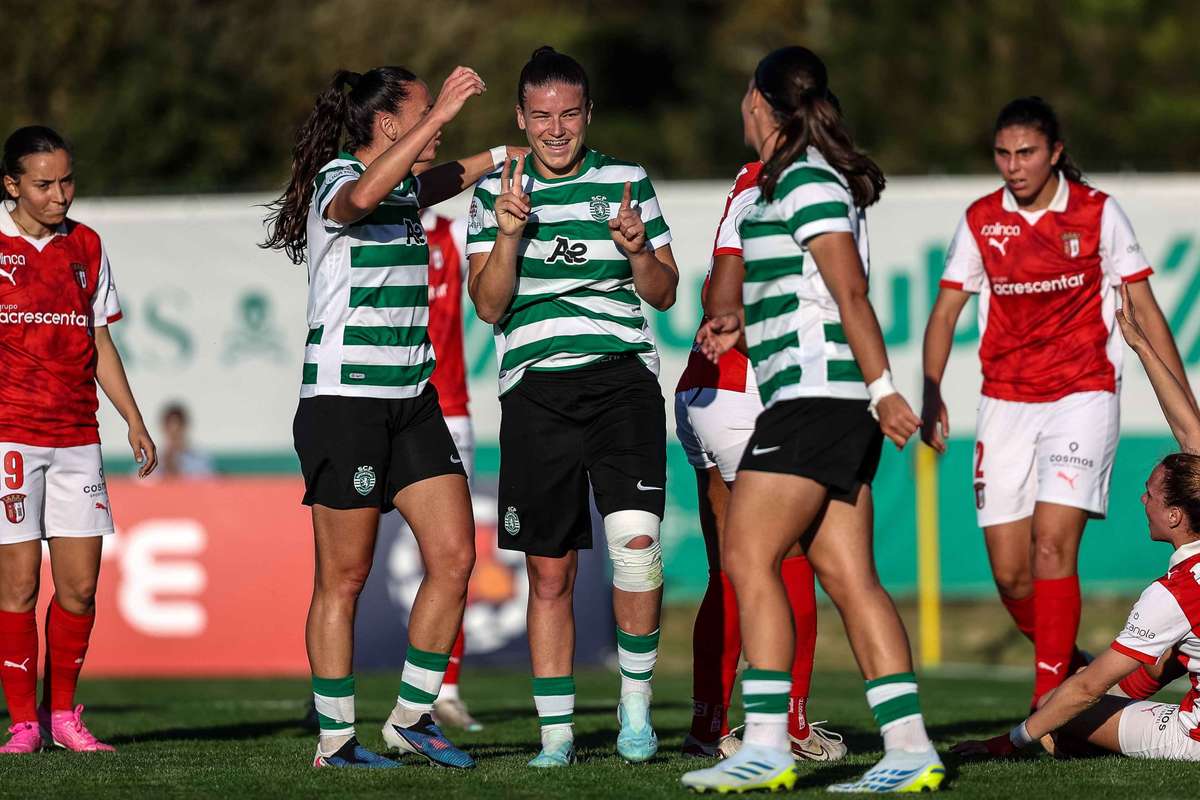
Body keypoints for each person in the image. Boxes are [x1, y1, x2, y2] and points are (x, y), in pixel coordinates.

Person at [680, 47, 942, 793]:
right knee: (848, 573)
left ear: (763, 103)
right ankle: (910, 748)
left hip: (818, 400)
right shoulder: (776, 184)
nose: (740, 106)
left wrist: (884, 388)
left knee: (747, 557)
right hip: (815, 395)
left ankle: (763, 746)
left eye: (744, 94)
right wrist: (737, 329)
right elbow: (797, 297)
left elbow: (851, 295)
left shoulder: (807, 181)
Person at [262, 64, 519, 769]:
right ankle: (336, 740)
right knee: (343, 578)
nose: (438, 121)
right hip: (345, 404)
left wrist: (501, 156)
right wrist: (441, 122)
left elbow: (432, 183)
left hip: (413, 401)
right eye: (425, 112)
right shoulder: (337, 178)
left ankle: (410, 717)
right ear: (390, 124)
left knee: (456, 556)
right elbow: (363, 197)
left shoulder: (405, 185)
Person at [920, 96, 1191, 709]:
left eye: (1027, 152)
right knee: (1012, 573)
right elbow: (943, 311)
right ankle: (1077, 674)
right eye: (1003, 153)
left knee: (1051, 543)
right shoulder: (982, 218)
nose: (1013, 165)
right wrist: (931, 390)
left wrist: (1187, 411)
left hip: (1082, 393)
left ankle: (1049, 709)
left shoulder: (1097, 213)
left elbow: (1144, 307)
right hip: (1006, 401)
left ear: (1055, 153)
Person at [466, 46, 678, 767]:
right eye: (542, 116)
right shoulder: (494, 189)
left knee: (636, 551)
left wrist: (640, 248)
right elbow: (489, 304)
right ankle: (557, 736)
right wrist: (506, 235)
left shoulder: (626, 181)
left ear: (589, 114)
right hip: (536, 391)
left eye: (570, 115)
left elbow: (663, 291)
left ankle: (636, 714)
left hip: (622, 382)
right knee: (549, 572)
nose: (556, 130)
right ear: (520, 118)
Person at [952, 283, 1200, 762]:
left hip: (1192, 740)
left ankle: (1048, 740)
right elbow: (1190, 432)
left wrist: (1008, 741)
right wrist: (1141, 345)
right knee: (1168, 650)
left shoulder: (1174, 590)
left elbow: (1087, 687)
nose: (1141, 497)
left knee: (1059, 709)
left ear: (1175, 514)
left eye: (1149, 493)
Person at [675, 160, 844, 762]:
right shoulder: (788, 187)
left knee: (729, 569)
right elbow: (724, 301)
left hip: (702, 390)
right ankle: (791, 725)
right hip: (743, 391)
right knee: (788, 562)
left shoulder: (749, 181)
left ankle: (707, 725)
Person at [0, 126, 157, 754]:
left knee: (80, 588)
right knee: (17, 586)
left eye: (67, 180)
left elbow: (100, 340)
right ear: (12, 185)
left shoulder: (87, 245)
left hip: (77, 438)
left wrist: (134, 419)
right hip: (10, 436)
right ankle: (24, 725)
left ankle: (63, 715)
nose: (60, 194)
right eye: (44, 184)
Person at [421, 207, 480, 731]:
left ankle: (446, 689)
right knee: (349, 557)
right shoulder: (366, 220)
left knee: (454, 553)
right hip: (382, 404)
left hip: (451, 408)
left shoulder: (451, 233)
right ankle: (324, 689)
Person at [156, 402, 215, 478]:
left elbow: (208, 481)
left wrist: (178, 468)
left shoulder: (200, 458)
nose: (174, 437)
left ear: (184, 428)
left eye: (177, 431)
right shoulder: (152, 459)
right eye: (171, 432)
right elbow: (142, 483)